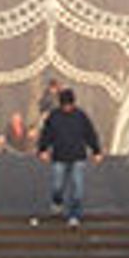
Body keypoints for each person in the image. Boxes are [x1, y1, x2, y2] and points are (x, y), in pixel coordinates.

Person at [35, 87, 102, 227]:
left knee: (77, 188)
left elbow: (90, 134)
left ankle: (74, 215)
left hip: (78, 156)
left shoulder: (80, 116)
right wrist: (42, 150)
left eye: (69, 104)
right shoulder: (54, 116)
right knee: (57, 186)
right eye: (65, 105)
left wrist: (96, 151)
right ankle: (57, 201)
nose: (67, 107)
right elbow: (46, 134)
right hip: (59, 156)